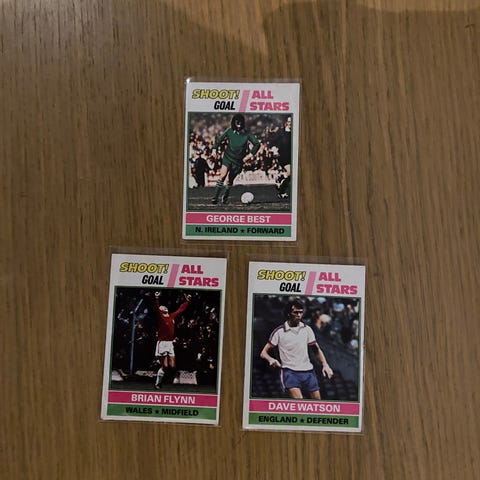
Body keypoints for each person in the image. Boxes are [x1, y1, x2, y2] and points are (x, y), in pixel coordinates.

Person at [260, 299, 333, 399]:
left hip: (308, 371)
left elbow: (316, 349)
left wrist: (325, 365)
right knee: (299, 403)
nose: (299, 315)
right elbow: (263, 353)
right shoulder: (279, 332)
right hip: (289, 372)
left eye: (300, 312)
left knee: (317, 403)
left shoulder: (307, 329)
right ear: (289, 314)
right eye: (296, 312)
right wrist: (271, 359)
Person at [210, 113, 260, 204]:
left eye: (240, 122)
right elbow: (219, 140)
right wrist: (214, 149)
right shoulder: (229, 131)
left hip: (238, 161)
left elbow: (257, 144)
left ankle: (225, 195)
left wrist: (249, 156)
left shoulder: (247, 133)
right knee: (222, 176)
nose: (239, 123)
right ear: (234, 122)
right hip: (228, 157)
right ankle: (215, 197)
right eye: (237, 122)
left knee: (230, 181)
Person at [153, 292, 191, 389]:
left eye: (165, 307)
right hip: (162, 343)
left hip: (170, 343)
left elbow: (180, 309)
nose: (164, 307)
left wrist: (187, 301)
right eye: (162, 307)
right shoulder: (161, 317)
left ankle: (171, 377)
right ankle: (158, 383)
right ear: (161, 310)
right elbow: (156, 308)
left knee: (173, 366)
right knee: (165, 366)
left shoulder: (171, 316)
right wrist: (156, 298)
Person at [269, 116, 292, 198]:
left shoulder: (296, 132)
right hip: (283, 156)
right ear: (286, 122)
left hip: (292, 156)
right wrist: (274, 150)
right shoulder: (281, 132)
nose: (291, 123)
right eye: (289, 121)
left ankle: (281, 190)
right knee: (290, 172)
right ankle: (281, 178)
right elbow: (272, 142)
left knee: (290, 176)